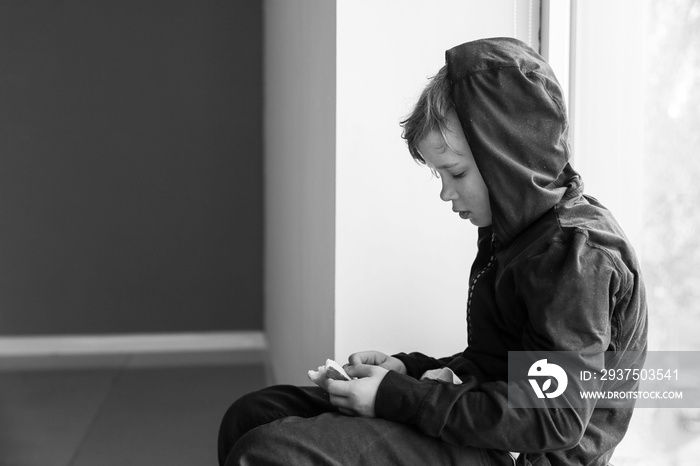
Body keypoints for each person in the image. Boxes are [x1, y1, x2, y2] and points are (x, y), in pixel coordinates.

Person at [217, 37, 648, 466]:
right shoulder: (512, 233)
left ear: (510, 158)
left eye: (456, 172)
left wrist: (397, 397)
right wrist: (407, 370)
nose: (446, 193)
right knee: (252, 415)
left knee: (266, 453)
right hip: (488, 429)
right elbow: (495, 365)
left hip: (524, 454)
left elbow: (552, 417)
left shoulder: (575, 257)